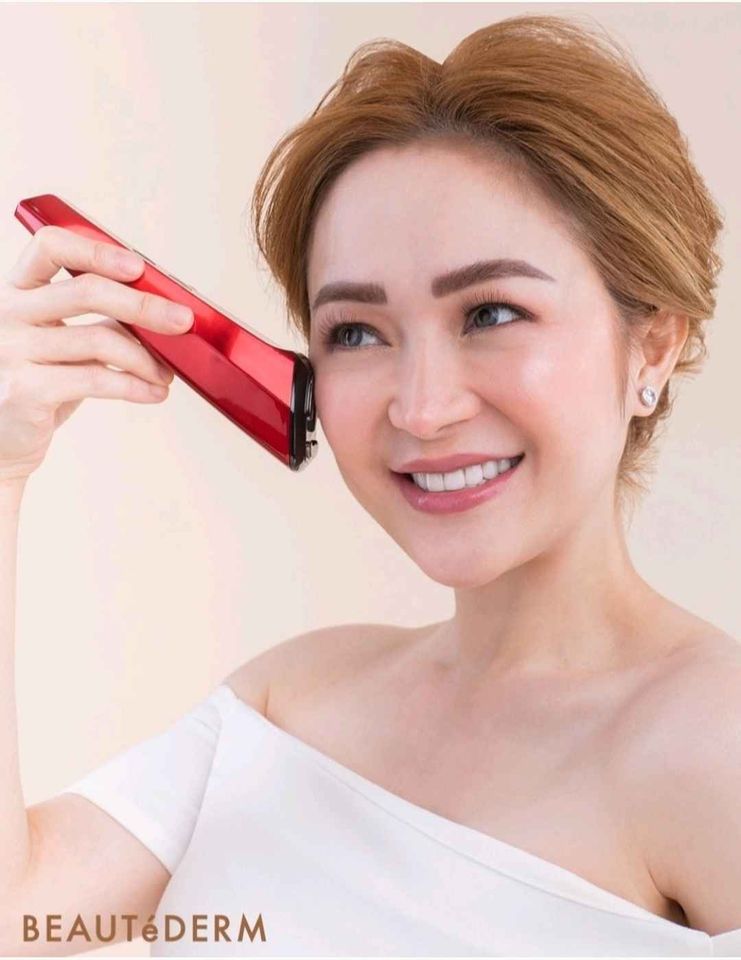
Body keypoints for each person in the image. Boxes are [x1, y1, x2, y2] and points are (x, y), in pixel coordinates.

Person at [1, 13, 739, 958]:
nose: (421, 409)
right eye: (354, 332)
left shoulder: (711, 742)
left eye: (491, 313)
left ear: (653, 344)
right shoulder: (286, 699)